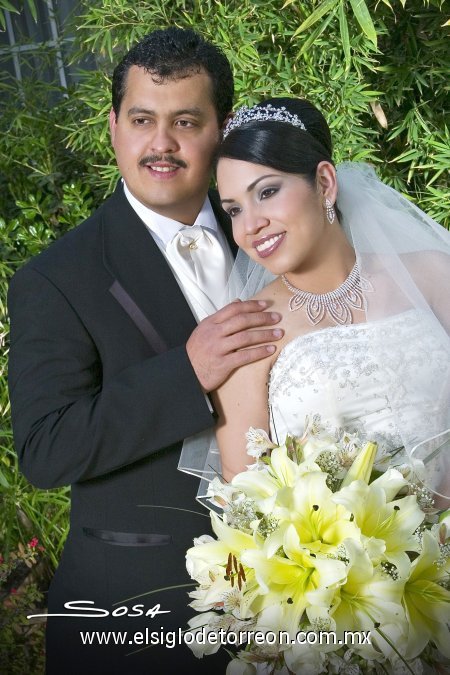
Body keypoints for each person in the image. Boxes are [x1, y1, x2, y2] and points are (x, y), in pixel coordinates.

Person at [7, 29, 283, 674]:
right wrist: (188, 373)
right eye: (142, 120)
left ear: (222, 130)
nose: (161, 144)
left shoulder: (275, 233)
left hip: (302, 599)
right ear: (113, 128)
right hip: (140, 610)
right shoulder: (57, 278)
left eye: (186, 121)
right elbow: (47, 449)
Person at [211, 97, 450, 504]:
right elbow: (242, 497)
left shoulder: (433, 274)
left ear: (324, 182)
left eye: (267, 192)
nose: (250, 225)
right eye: (233, 210)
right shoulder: (248, 331)